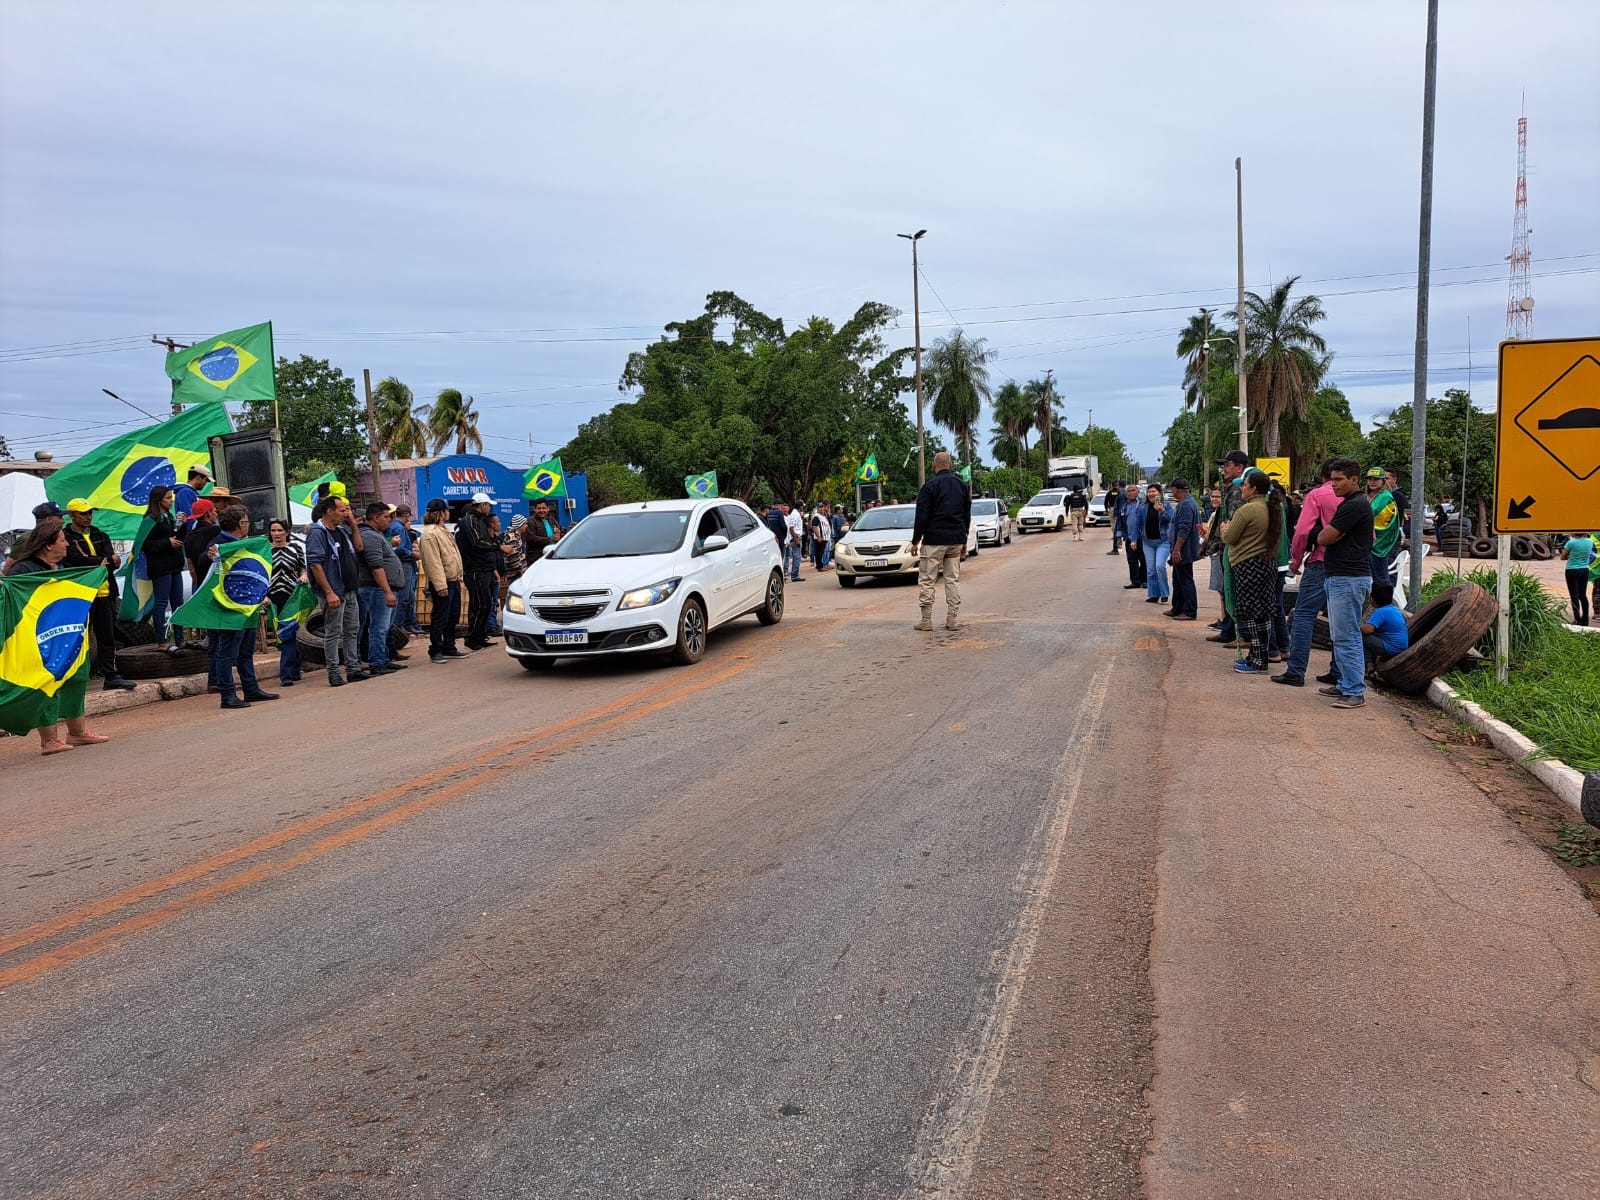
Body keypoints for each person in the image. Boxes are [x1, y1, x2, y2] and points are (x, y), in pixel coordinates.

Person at [2, 518, 111, 754]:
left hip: (67, 635)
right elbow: (14, 598)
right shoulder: (25, 570)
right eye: (62, 541)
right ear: (48, 545)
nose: (67, 545)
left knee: (77, 677)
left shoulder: (62, 568)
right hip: (38, 639)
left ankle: (77, 731)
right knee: (49, 679)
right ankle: (49, 739)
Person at [1316, 458, 1376, 709]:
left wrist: (1327, 533)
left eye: (1339, 480)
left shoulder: (1355, 505)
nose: (1334, 485)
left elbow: (1325, 537)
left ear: (1354, 480)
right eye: (1332, 479)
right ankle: (1345, 683)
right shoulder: (1351, 504)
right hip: (1342, 577)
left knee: (1347, 635)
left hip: (1349, 578)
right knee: (1340, 634)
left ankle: (1354, 690)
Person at [207, 506, 278, 710]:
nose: (248, 524)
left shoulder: (245, 544)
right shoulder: (218, 545)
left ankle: (251, 688)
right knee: (226, 652)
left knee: (246, 651)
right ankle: (227, 694)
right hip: (229, 609)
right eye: (246, 521)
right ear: (240, 524)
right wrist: (212, 556)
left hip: (248, 606)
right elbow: (209, 566)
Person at [1275, 460, 1339, 688]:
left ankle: (1296, 671)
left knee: (1303, 616)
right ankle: (1337, 671)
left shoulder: (1317, 495)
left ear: (1323, 475)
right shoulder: (1357, 498)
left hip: (1321, 560)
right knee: (1340, 620)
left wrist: (1295, 559)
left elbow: (1302, 531)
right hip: (1349, 566)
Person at [61, 499, 133, 690]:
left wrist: (101, 560)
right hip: (81, 594)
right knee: (77, 638)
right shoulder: (65, 537)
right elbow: (74, 560)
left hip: (105, 592)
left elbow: (112, 559)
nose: (88, 517)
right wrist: (101, 561)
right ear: (72, 515)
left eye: (90, 513)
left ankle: (111, 675)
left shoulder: (100, 534)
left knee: (106, 636)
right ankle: (74, 678)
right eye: (83, 513)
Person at [1220, 470, 1281, 673]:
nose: (1242, 489)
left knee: (1252, 614)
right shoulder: (1272, 507)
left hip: (1248, 565)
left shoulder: (1247, 510)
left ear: (1253, 488)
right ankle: (1257, 656)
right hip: (1267, 563)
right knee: (1263, 613)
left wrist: (1223, 528)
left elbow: (1229, 537)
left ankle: (1258, 661)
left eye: (1244, 485)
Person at [305, 496, 367, 686]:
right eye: (342, 510)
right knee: (333, 632)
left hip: (349, 589)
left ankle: (353, 668)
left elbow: (359, 547)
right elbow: (315, 564)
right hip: (334, 591)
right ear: (329, 511)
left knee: (352, 629)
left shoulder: (341, 530)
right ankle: (333, 672)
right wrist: (329, 592)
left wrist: (353, 525)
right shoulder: (318, 532)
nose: (346, 513)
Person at [910, 451, 972, 632]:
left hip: (934, 541)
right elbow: (966, 515)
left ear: (933, 465)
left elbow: (921, 516)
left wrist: (915, 541)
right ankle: (952, 619)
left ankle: (926, 620)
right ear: (950, 465)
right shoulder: (961, 486)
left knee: (927, 579)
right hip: (955, 540)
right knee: (952, 580)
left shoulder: (929, 487)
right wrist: (964, 540)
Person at [1203, 451, 1250, 645]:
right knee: (1227, 590)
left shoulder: (1240, 490)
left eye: (1228, 465)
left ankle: (1240, 632)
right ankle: (1228, 629)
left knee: (1234, 591)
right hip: (1223, 546)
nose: (1224, 469)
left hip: (1234, 548)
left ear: (1239, 467)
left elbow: (1233, 521)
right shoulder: (1231, 489)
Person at [357, 501, 405, 675]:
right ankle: (377, 662)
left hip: (383, 589)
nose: (389, 520)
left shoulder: (374, 534)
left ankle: (383, 659)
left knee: (383, 627)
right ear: (376, 518)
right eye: (386, 517)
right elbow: (376, 566)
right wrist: (387, 591)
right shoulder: (369, 536)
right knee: (378, 627)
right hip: (377, 589)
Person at [140, 486, 189, 657]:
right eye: (168, 498)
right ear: (159, 500)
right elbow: (145, 545)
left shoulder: (168, 517)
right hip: (160, 567)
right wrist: (166, 543)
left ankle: (180, 638)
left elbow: (178, 538)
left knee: (178, 602)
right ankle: (162, 641)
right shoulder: (150, 520)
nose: (171, 500)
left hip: (174, 564)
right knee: (161, 603)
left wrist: (183, 525)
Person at [419, 499, 467, 663]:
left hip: (453, 580)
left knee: (453, 616)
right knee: (441, 617)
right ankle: (436, 650)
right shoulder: (430, 534)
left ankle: (449, 646)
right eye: (447, 510)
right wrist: (440, 586)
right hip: (443, 582)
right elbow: (433, 562)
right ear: (441, 513)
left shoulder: (443, 530)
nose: (449, 513)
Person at [456, 492, 505, 651]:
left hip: (485, 569)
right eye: (488, 504)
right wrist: (499, 547)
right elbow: (478, 543)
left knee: (486, 604)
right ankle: (472, 638)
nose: (489, 507)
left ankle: (480, 635)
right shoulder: (469, 521)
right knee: (479, 605)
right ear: (482, 505)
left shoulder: (479, 521)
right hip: (475, 570)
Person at [266, 518, 305, 687]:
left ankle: (288, 673)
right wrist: (263, 596)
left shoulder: (295, 549)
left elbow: (303, 568)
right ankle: (291, 671)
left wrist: (304, 575)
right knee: (284, 634)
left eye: (280, 531)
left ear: (287, 532)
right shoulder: (265, 551)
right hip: (272, 598)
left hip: (292, 597)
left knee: (290, 633)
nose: (276, 534)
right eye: (273, 531)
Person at [1166, 478, 1202, 620]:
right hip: (1181, 550)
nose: (1172, 492)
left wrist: (1176, 550)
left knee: (1186, 581)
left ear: (1177, 489)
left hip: (1183, 551)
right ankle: (1177, 607)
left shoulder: (1186, 505)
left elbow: (1184, 529)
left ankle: (1189, 611)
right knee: (1178, 580)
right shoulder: (1185, 503)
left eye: (1173, 489)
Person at [384, 504, 419, 634]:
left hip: (402, 564)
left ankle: (406, 624)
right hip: (404, 564)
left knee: (407, 597)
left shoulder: (395, 527)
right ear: (406, 515)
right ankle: (399, 627)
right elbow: (400, 549)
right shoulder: (398, 528)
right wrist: (412, 554)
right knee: (405, 597)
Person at [1134, 484, 1171, 605]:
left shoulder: (1166, 506)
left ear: (1159, 493)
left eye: (1153, 491)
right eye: (1149, 492)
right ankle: (1154, 594)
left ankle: (1164, 593)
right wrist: (1134, 539)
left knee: (1160, 566)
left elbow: (1171, 519)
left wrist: (1162, 511)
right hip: (1148, 542)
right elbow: (1137, 524)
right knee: (1150, 570)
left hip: (1163, 542)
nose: (1151, 494)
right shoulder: (1142, 508)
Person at [1361, 581, 1409, 673]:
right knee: (1372, 638)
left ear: (1372, 600)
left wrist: (1356, 628)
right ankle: (1371, 662)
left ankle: (1369, 665)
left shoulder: (1379, 612)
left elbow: (1367, 630)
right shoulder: (1394, 609)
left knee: (1361, 637)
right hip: (1402, 646)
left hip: (1391, 647)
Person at [1365, 467, 1402, 584]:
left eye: (1376, 479)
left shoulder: (1385, 497)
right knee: (1377, 577)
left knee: (1380, 577)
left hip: (1379, 544)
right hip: (1373, 543)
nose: (1372, 481)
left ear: (1382, 481)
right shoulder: (1374, 496)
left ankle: (1385, 602)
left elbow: (1379, 522)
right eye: (1370, 479)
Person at [183, 498, 222, 588]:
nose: (216, 514)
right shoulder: (216, 531)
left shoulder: (188, 537)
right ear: (208, 513)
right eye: (215, 511)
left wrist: (199, 585)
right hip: (217, 580)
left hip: (202, 583)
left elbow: (191, 566)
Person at [1561, 531, 1595, 625]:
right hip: (1584, 570)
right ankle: (1585, 619)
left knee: (1574, 596)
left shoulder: (1571, 543)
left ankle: (1577, 619)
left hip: (1572, 570)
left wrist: (1571, 556)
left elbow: (1562, 557)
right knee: (1582, 595)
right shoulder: (1589, 542)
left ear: (1574, 533)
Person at [1120, 483, 1146, 590]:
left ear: (1138, 492)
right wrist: (1120, 535)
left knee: (1144, 560)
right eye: (1129, 491)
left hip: (1142, 537)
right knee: (1132, 561)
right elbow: (1121, 522)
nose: (1131, 493)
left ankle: (1144, 580)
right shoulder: (1124, 506)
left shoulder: (1143, 504)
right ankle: (1135, 581)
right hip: (1129, 537)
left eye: (1133, 490)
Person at [172, 463, 211, 530]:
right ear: (198, 478)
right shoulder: (185, 492)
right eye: (206, 480)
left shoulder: (191, 492)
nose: (205, 483)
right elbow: (189, 516)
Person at [782, 502, 805, 582]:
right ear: (800, 507)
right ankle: (795, 575)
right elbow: (791, 527)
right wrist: (795, 539)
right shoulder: (795, 514)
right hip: (795, 537)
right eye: (802, 506)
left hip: (795, 537)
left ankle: (795, 574)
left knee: (797, 557)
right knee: (797, 557)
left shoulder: (796, 514)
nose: (803, 508)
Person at [810, 501, 834, 571]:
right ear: (817, 508)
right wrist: (818, 537)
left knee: (822, 552)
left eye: (822, 507)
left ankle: (823, 565)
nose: (822, 509)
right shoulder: (816, 516)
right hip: (820, 538)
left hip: (825, 537)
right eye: (820, 508)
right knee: (819, 553)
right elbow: (814, 527)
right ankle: (820, 567)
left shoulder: (823, 516)